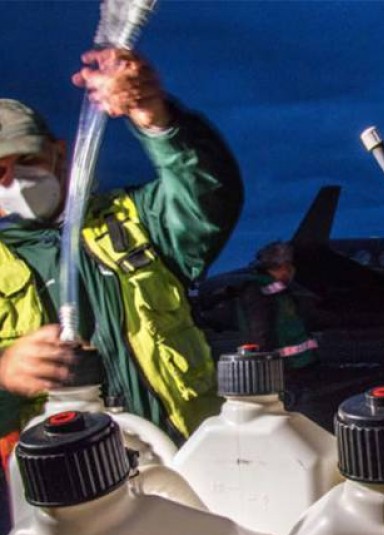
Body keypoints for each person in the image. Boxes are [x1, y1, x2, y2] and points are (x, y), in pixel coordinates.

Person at [0, 48, 243, 453]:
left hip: (185, 458)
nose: (16, 180)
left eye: (27, 159)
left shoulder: (140, 219)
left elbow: (210, 195)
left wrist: (158, 120)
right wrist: (5, 372)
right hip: (70, 487)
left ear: (59, 152)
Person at [237, 241, 319, 374]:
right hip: (283, 368)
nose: (291, 270)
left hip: (295, 364)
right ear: (281, 266)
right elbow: (259, 331)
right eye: (288, 265)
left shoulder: (280, 290)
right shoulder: (258, 291)